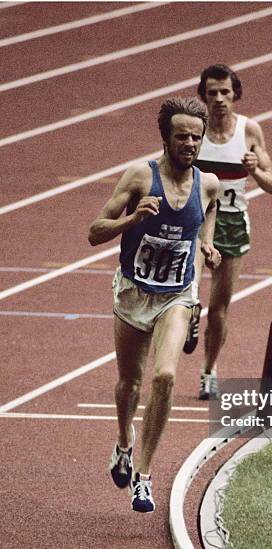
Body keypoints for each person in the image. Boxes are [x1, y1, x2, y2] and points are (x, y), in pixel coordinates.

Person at [88, 97, 221, 512]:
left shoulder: (208, 183)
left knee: (164, 376)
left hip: (177, 296)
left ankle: (144, 476)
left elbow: (210, 210)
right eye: (181, 136)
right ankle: (124, 442)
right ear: (165, 138)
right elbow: (94, 232)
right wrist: (132, 220)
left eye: (196, 137)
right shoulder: (139, 178)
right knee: (130, 382)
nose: (189, 144)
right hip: (133, 292)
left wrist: (206, 242)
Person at [188, 63, 272, 400]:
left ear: (235, 94)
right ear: (202, 97)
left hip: (232, 223)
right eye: (212, 93)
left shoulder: (249, 131)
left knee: (220, 309)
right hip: (196, 220)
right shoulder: (193, 132)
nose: (219, 99)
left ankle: (208, 370)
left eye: (225, 92)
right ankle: (190, 309)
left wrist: (255, 171)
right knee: (190, 292)